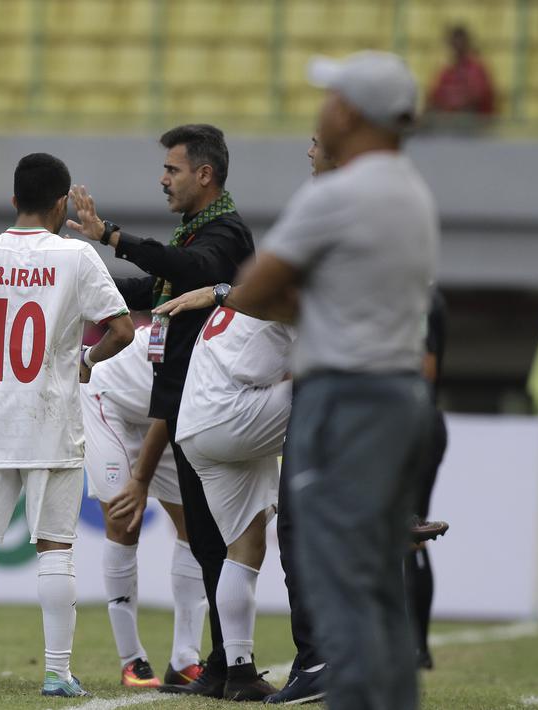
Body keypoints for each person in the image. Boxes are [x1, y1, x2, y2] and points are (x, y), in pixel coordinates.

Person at [154, 51, 439, 710]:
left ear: (351, 113)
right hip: (397, 393)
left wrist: (280, 299)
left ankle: (327, 676)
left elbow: (256, 290)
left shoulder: (335, 194)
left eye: (330, 100)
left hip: (342, 392)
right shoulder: (412, 193)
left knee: (327, 559)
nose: (322, 113)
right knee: (368, 568)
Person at [0, 152, 135, 698]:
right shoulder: (75, 257)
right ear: (62, 202)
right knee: (55, 546)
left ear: (14, 199)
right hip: (52, 418)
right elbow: (121, 330)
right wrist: (83, 363)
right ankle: (55, 671)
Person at [70, 124, 257, 698]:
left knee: (211, 538)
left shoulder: (223, 236)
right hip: (142, 401)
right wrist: (78, 284)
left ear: (204, 174)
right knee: (196, 537)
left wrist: (111, 236)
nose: (162, 178)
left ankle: (218, 662)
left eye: (172, 169)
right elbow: (157, 281)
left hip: (190, 408)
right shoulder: (202, 231)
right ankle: (186, 663)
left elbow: (193, 270)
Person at [80, 323, 207, 688]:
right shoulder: (186, 337)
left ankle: (185, 659)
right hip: (109, 399)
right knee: (123, 522)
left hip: (160, 414)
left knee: (192, 528)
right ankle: (131, 660)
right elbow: (169, 411)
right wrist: (139, 481)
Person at [175, 308, 294, 701]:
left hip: (196, 426)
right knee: (341, 385)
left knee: (244, 548)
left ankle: (239, 671)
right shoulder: (297, 282)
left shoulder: (253, 287)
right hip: (231, 416)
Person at [264, 134, 337, 705]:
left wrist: (226, 293)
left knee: (299, 528)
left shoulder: (332, 210)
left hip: (328, 389)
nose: (307, 149)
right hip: (358, 389)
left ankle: (319, 660)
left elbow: (284, 293)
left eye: (315, 142)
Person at [406, 287, 449, 670]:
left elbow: (425, 364)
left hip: (412, 425)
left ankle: (416, 647)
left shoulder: (417, 297)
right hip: (418, 422)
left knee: (410, 534)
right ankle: (414, 646)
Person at [426, 25, 495, 124]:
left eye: (460, 42)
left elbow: (477, 100)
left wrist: (451, 108)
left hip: (474, 129)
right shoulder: (446, 73)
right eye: (454, 43)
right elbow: (433, 99)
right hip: (449, 129)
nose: (457, 47)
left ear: (467, 44)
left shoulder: (476, 70)